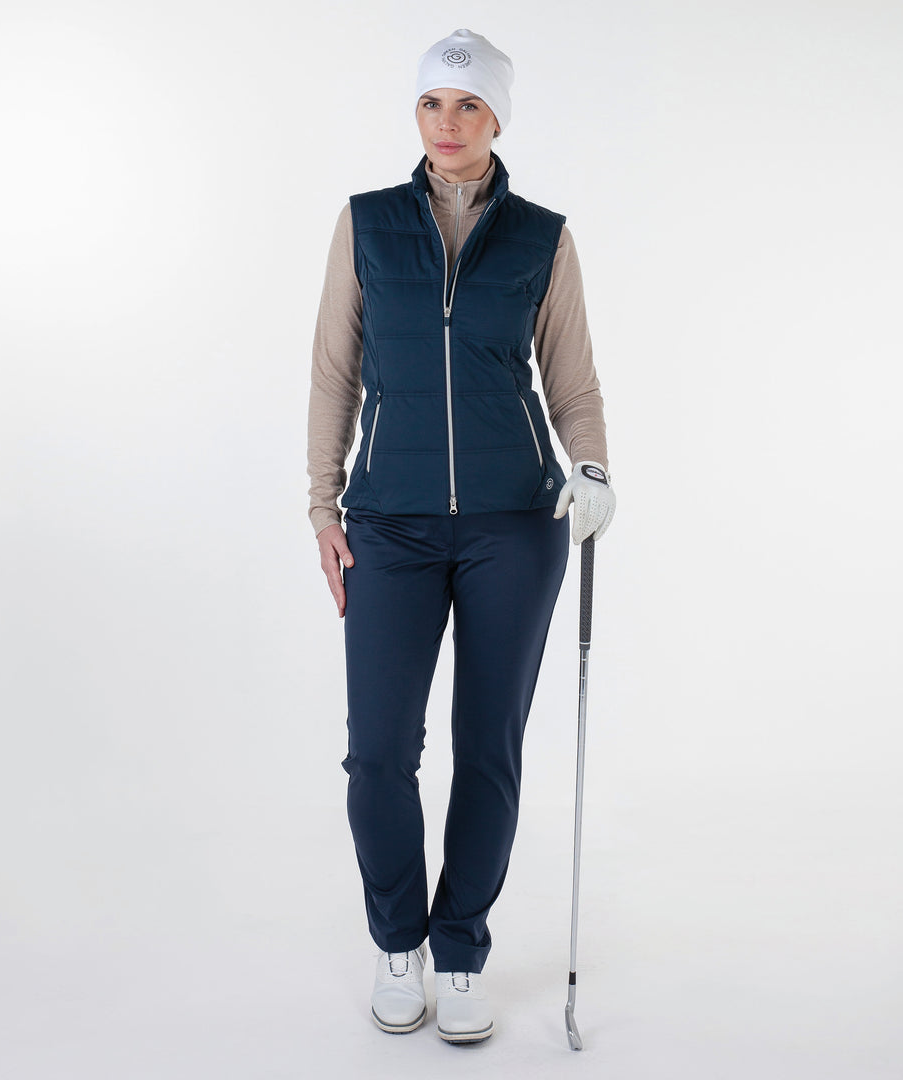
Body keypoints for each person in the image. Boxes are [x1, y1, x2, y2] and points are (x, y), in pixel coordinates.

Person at [306, 28, 615, 1044]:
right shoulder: (366, 223)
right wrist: (323, 504)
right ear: (418, 113)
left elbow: (571, 382)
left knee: (489, 751)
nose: (449, 123)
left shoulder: (541, 238)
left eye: (469, 105)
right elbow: (334, 371)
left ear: (497, 119)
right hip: (387, 525)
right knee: (377, 753)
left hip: (513, 526)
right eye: (434, 103)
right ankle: (398, 941)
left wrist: (592, 467)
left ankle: (462, 950)